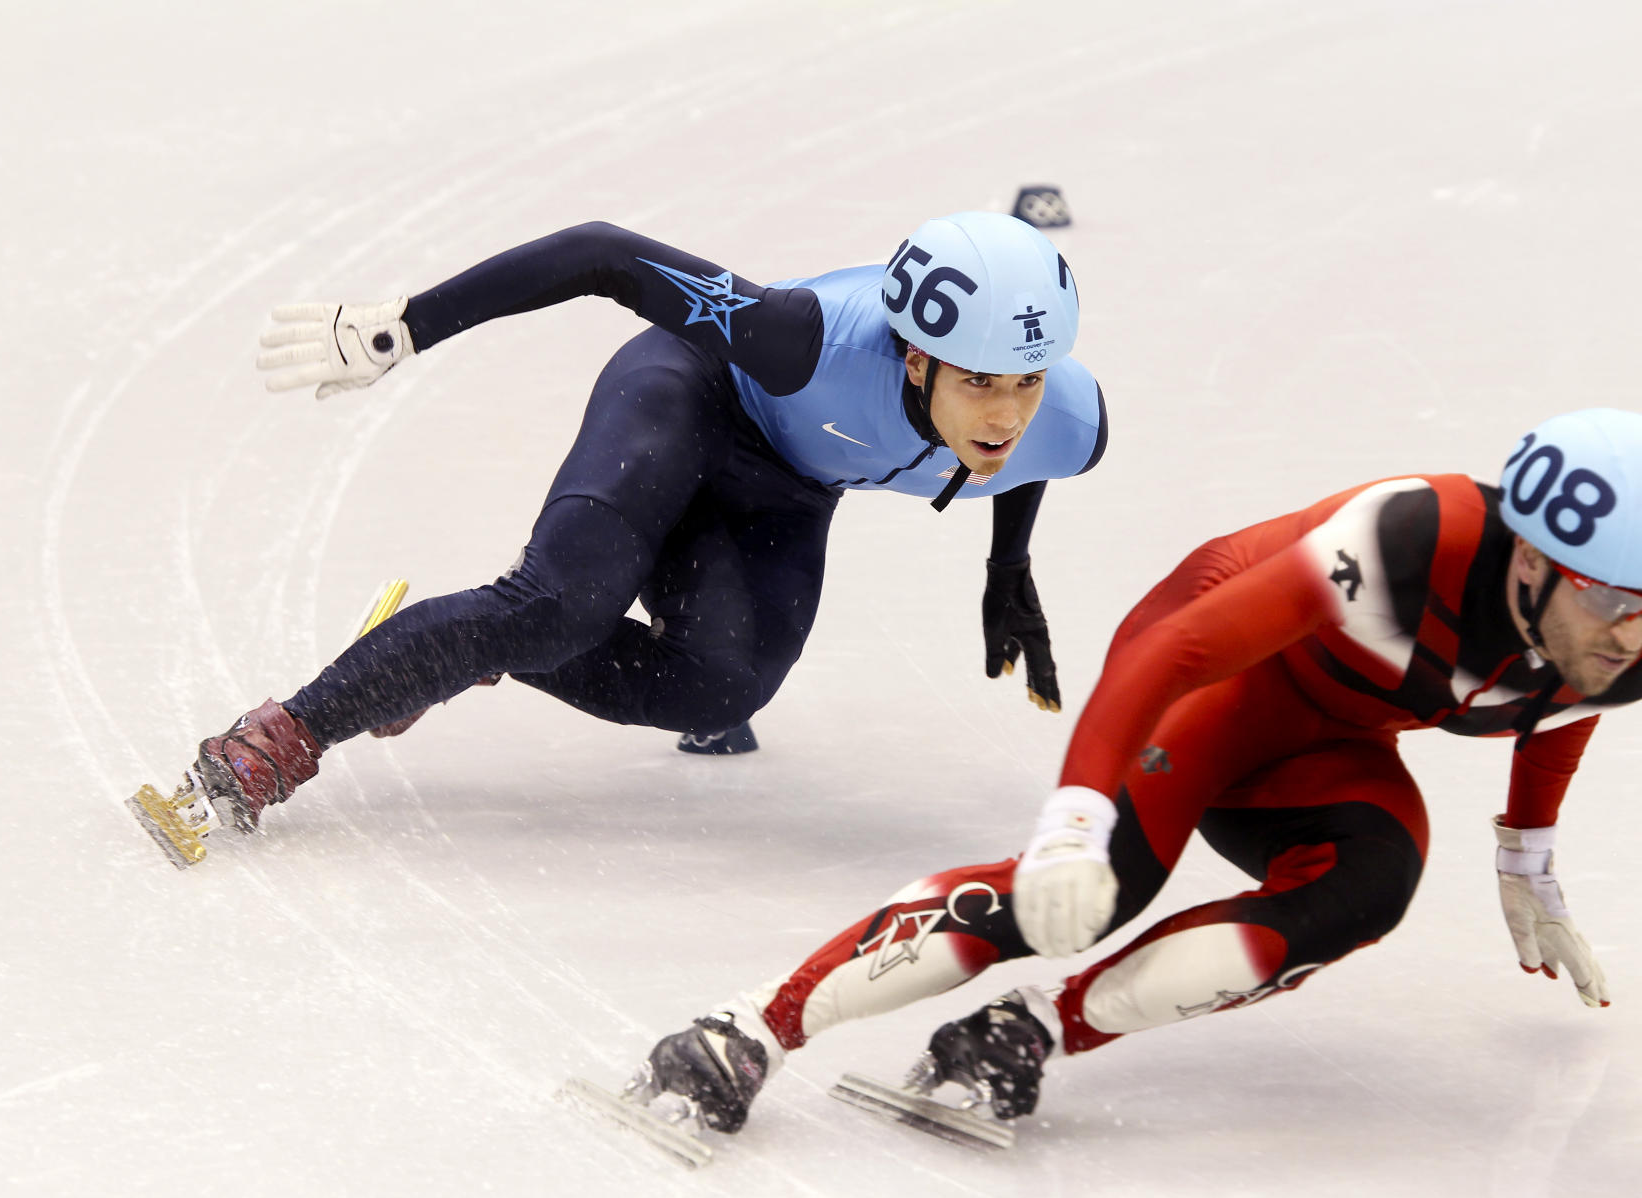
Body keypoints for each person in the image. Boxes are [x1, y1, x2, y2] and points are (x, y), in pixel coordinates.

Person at [625, 407, 1638, 1136]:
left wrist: (1527, 852)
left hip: (1331, 737)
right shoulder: (1409, 535)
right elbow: (1180, 651)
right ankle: (752, 1024)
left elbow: (1562, 699)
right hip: (1211, 675)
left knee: (1371, 883)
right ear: (1530, 562)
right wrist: (1073, 823)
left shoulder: (1618, 641)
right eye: (1612, 601)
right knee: (1088, 894)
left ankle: (1026, 1034)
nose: (1631, 636)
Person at [128, 214, 1108, 865]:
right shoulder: (799, 337)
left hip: (783, 491)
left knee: (721, 693)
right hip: (688, 395)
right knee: (561, 604)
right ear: (912, 352)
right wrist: (409, 326)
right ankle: (273, 744)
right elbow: (604, 253)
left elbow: (1028, 464)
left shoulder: (1061, 423)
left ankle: (460, 647)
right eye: (979, 383)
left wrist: (1008, 566)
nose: (1005, 416)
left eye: (1026, 382)